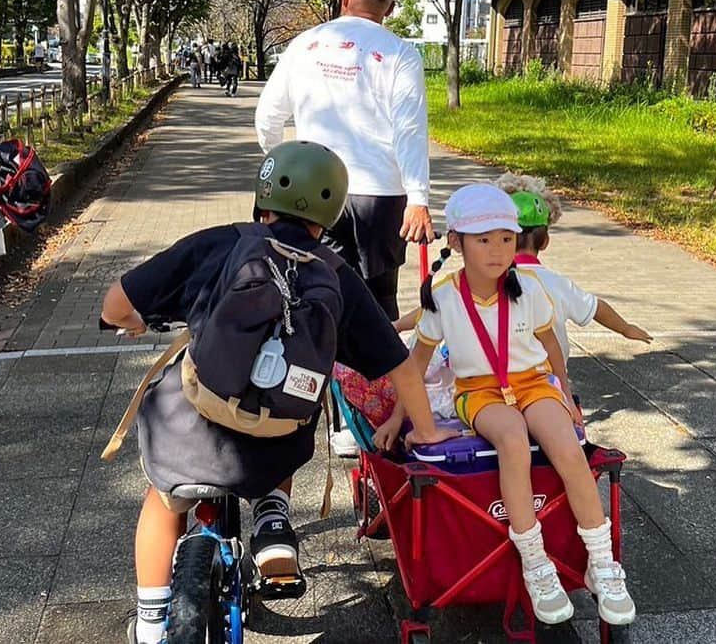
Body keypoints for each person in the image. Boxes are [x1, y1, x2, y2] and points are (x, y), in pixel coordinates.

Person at [100, 141, 456, 644]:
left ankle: (152, 620)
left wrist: (132, 321)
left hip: (192, 437)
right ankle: (272, 512)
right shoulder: (337, 277)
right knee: (293, 401)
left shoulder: (220, 244)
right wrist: (425, 428)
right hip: (275, 447)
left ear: (261, 198)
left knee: (163, 499)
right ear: (330, 215)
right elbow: (400, 366)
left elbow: (116, 303)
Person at [394, 183, 637, 627]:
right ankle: (535, 561)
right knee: (511, 439)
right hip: (479, 392)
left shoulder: (529, 287)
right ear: (457, 243)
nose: (497, 250)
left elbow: (551, 348)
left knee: (567, 444)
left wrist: (565, 396)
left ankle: (601, 562)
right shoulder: (444, 295)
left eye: (506, 238)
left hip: (531, 382)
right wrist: (403, 417)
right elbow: (416, 363)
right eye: (483, 240)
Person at [255, 0, 435, 320]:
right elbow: (410, 129)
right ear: (391, 7)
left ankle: (320, 371)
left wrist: (282, 167)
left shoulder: (305, 44)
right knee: (378, 301)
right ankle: (377, 375)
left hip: (313, 191)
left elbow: (268, 117)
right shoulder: (400, 54)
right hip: (381, 197)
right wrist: (418, 199)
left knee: (317, 291)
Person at [496, 173, 652, 362]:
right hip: (550, 379)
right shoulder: (558, 284)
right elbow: (595, 307)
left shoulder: (487, 282)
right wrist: (626, 328)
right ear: (545, 242)